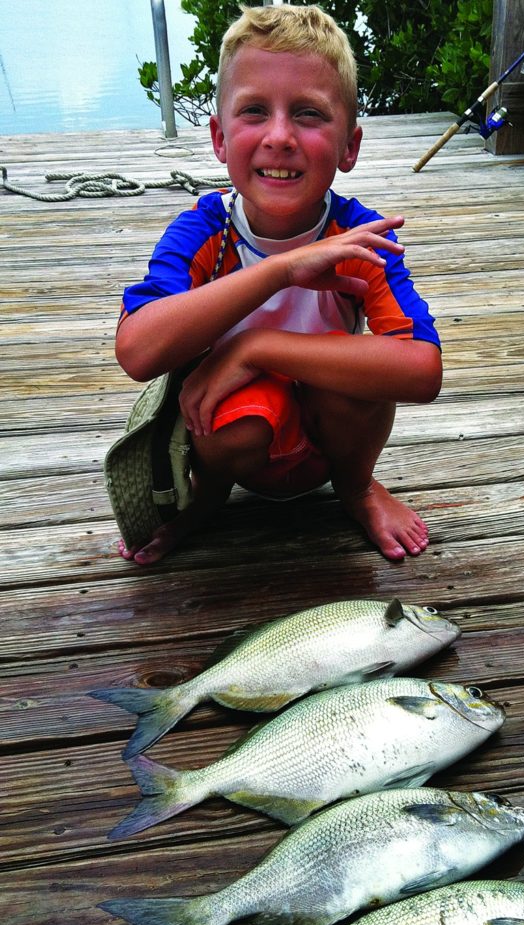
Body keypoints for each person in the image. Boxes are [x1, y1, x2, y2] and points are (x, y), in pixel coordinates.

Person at [115, 3, 442, 565]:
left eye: (310, 114)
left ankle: (359, 489)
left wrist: (254, 346)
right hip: (234, 441)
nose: (280, 136)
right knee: (233, 410)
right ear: (219, 138)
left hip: (331, 446)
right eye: (255, 112)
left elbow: (422, 370)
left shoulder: (362, 237)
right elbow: (137, 349)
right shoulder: (202, 231)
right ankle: (210, 496)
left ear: (350, 146)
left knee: (352, 378)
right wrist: (281, 270)